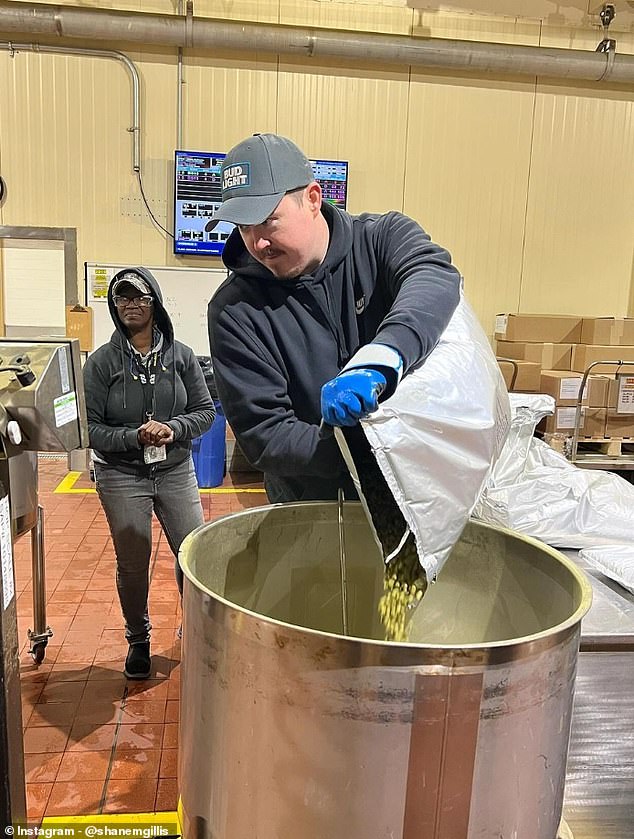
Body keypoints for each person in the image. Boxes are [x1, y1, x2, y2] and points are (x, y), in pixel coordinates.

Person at [207, 133, 461, 503]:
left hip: (412, 493)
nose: (258, 243)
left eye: (268, 221)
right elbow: (267, 435)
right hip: (310, 502)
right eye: (244, 228)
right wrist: (371, 446)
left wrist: (385, 356)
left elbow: (434, 275)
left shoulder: (381, 239)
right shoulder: (235, 311)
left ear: (312, 199)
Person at [83, 268, 215, 679]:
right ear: (114, 306)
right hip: (121, 475)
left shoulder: (183, 357)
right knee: (134, 562)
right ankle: (138, 640)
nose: (130, 305)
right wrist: (132, 437)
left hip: (174, 470)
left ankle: (198, 630)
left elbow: (206, 412)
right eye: (122, 298)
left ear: (154, 303)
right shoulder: (103, 363)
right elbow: (90, 428)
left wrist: (173, 429)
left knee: (193, 553)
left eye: (139, 297)